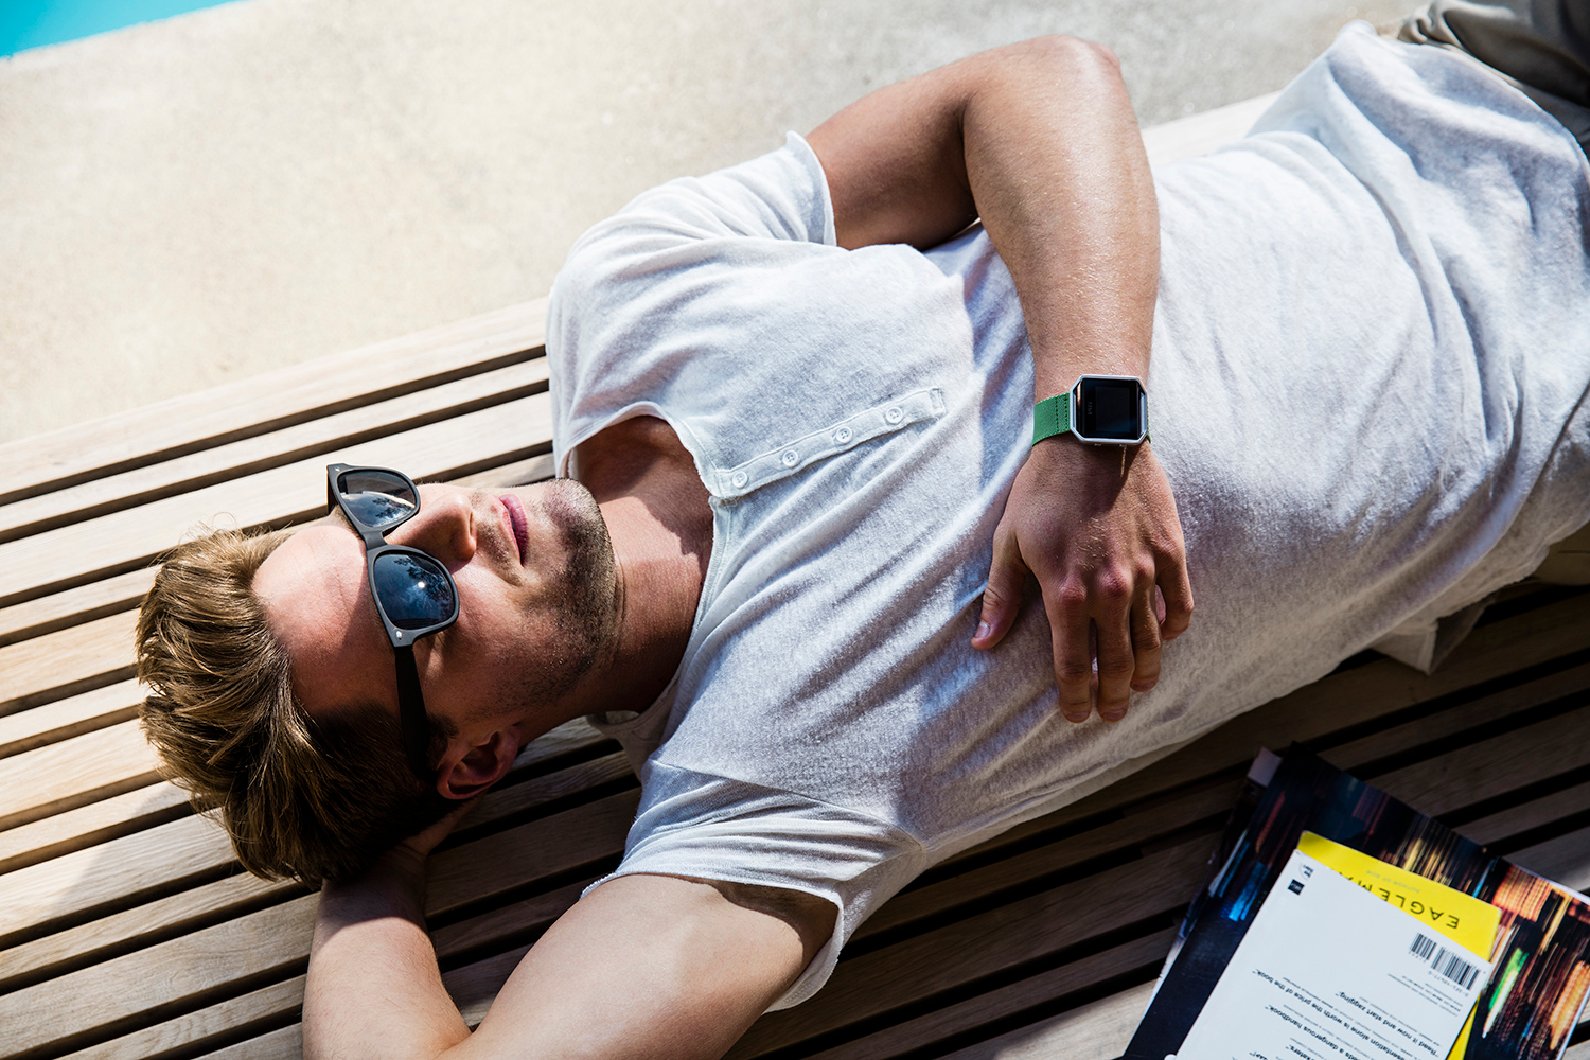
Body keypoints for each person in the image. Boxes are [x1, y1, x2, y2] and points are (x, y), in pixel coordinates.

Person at [134, 1, 1590, 1056]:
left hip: (1469, 88)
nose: (444, 520)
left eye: (377, 506)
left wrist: (1091, 428)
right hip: (1553, 389)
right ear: (476, 759)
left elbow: (1031, 87)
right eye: (407, 600)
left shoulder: (635, 301)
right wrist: (374, 872)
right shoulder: (748, 804)